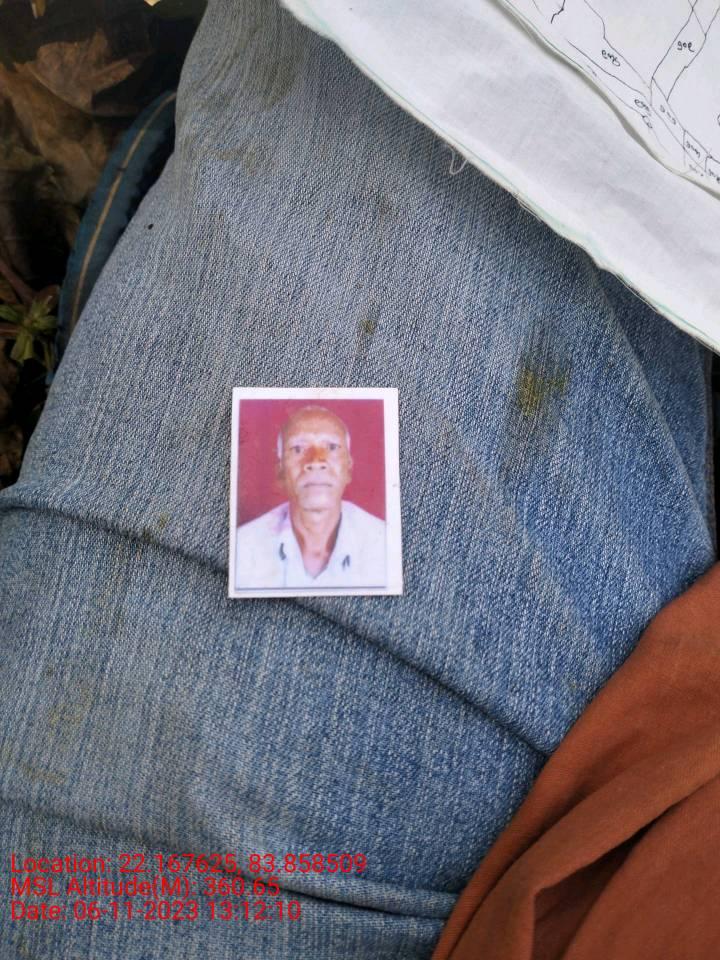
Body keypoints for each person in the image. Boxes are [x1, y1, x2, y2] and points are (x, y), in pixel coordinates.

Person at [235, 405, 387, 589]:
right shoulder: (242, 548)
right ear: (280, 471)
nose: (316, 461)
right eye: (298, 449)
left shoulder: (385, 546)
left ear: (348, 468)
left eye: (332, 447)